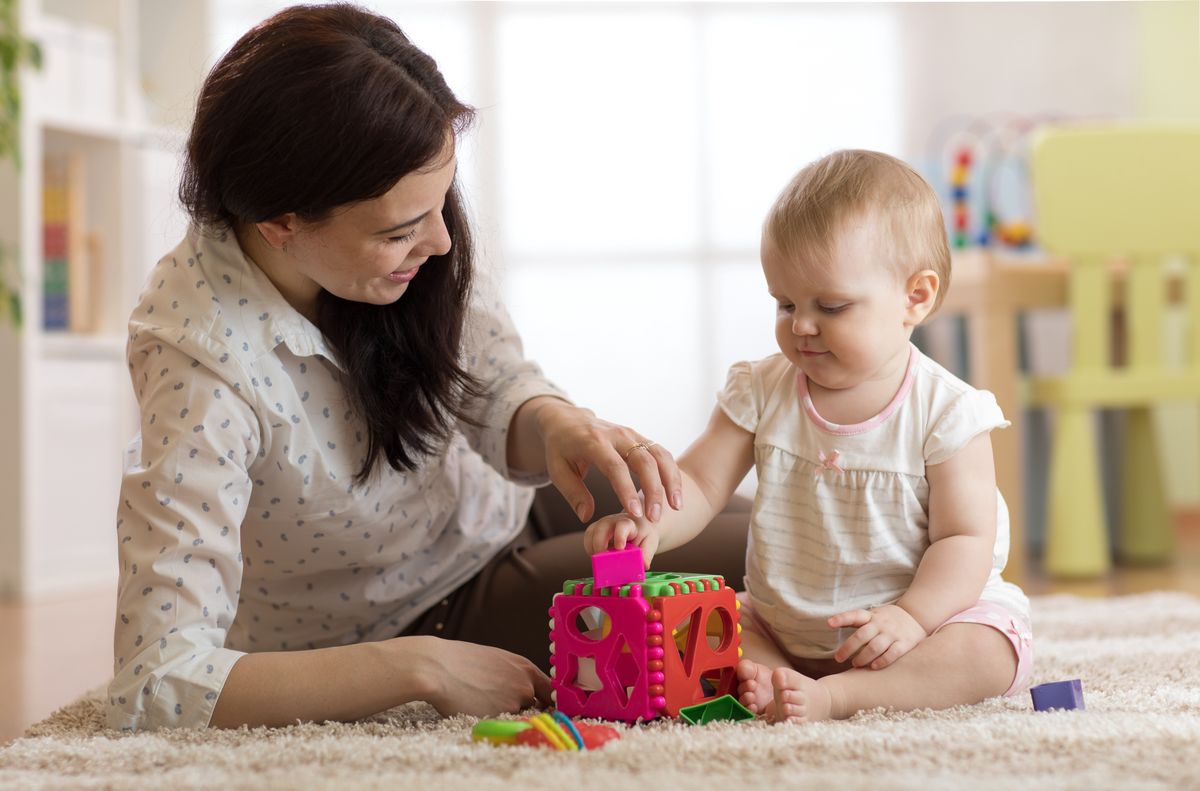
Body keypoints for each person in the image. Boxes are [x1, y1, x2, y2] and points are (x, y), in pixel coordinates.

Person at [107, 3, 748, 732]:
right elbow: (156, 679)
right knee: (769, 565)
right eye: (402, 229)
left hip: (505, 506)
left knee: (800, 528)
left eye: (442, 204)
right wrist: (417, 666)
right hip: (429, 605)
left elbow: (494, 381)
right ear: (281, 222)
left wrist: (555, 424)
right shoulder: (201, 363)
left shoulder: (381, 254)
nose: (442, 242)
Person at [584, 149, 1032, 723]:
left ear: (915, 298)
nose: (800, 325)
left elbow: (965, 539)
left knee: (990, 651)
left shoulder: (948, 412)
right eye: (785, 302)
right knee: (713, 621)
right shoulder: (763, 388)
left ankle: (844, 696)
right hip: (785, 623)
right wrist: (651, 524)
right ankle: (780, 675)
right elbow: (699, 481)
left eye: (832, 306)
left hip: (912, 628)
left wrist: (912, 619)